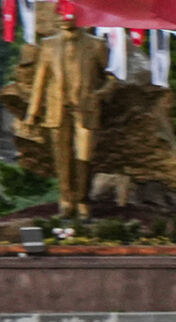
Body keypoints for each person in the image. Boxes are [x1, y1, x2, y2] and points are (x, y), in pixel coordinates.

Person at [22, 12, 111, 218]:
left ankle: (82, 200)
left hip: (86, 109)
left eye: (68, 14)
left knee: (84, 157)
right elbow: (39, 83)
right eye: (60, 14)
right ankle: (65, 201)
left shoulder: (96, 45)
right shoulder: (48, 45)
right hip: (57, 109)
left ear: (78, 17)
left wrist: (100, 94)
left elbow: (112, 77)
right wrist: (32, 114)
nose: (64, 18)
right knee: (62, 159)